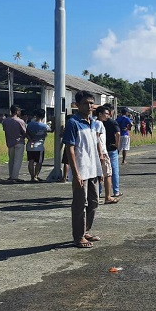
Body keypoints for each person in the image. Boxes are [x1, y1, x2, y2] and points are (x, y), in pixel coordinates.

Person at [62, 90, 103, 248]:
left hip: (93, 169)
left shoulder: (92, 122)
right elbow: (69, 149)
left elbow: (95, 145)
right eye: (86, 103)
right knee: (80, 204)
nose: (89, 106)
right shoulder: (73, 122)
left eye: (92, 103)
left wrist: (100, 167)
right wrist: (76, 173)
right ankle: (78, 236)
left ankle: (86, 230)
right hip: (81, 171)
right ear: (77, 105)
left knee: (94, 202)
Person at [93, 106, 119, 204]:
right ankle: (108, 196)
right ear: (100, 114)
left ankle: (96, 195)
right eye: (106, 114)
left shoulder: (94, 122)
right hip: (103, 151)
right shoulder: (99, 123)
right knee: (108, 174)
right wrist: (101, 153)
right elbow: (97, 139)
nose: (108, 116)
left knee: (97, 175)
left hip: (98, 151)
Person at [2, 104, 27, 182]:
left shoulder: (5, 121)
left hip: (10, 142)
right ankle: (14, 177)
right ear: (16, 111)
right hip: (19, 141)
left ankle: (11, 175)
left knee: (11, 160)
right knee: (17, 161)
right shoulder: (20, 121)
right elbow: (24, 132)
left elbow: (5, 130)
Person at [102, 103, 122, 198]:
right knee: (114, 170)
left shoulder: (98, 122)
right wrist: (117, 145)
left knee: (101, 171)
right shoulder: (112, 122)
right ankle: (116, 191)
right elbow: (118, 133)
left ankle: (98, 191)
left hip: (102, 149)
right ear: (111, 111)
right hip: (111, 148)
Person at [25, 109, 51, 182]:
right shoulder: (44, 126)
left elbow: (26, 134)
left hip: (30, 144)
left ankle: (32, 176)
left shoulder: (30, 124)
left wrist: (30, 139)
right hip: (39, 145)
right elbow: (51, 130)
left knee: (31, 161)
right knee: (39, 162)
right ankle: (35, 176)